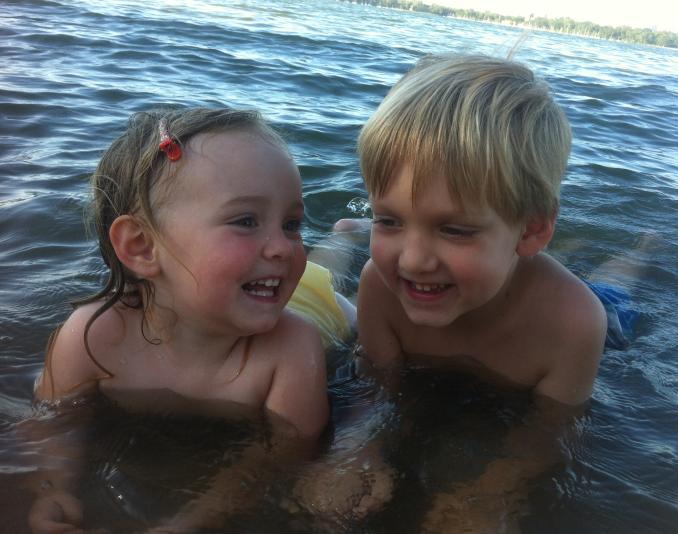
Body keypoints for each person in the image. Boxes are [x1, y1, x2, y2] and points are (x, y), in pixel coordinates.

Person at [27, 108, 353, 533]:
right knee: (319, 263)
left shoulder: (292, 349)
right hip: (263, 286)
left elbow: (278, 458)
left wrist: (193, 522)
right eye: (246, 221)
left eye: (291, 224)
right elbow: (55, 424)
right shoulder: (91, 338)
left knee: (331, 276)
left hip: (317, 304)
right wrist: (53, 488)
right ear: (142, 247)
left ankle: (348, 233)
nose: (285, 247)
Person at [353, 54, 609, 530]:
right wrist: (358, 450)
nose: (412, 260)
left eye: (453, 229)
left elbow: (548, 429)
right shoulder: (379, 285)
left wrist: (489, 492)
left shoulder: (575, 323)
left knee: (616, 289)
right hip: (510, 272)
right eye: (388, 221)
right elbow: (375, 386)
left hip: (587, 302)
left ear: (531, 230)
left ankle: (639, 253)